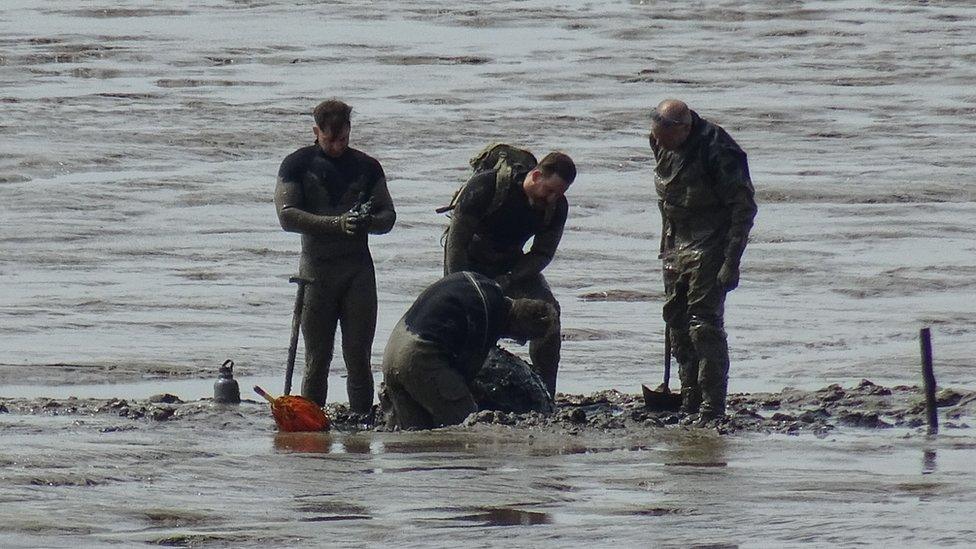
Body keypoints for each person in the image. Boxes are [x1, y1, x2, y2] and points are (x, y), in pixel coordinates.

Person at [274, 99, 396, 413]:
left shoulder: (367, 167)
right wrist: (336, 223)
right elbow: (287, 216)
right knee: (317, 356)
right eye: (330, 139)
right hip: (316, 272)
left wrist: (369, 221)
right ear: (316, 131)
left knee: (357, 356)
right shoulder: (296, 165)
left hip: (358, 272)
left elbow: (388, 216)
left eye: (343, 139)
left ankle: (362, 420)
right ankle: (312, 421)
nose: (338, 146)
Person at [649, 99, 757, 424]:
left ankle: (712, 407)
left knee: (704, 325)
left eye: (667, 139)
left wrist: (731, 261)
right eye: (658, 139)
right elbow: (666, 195)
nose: (661, 145)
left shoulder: (718, 149)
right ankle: (689, 398)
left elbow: (743, 208)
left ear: (683, 128)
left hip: (711, 241)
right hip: (675, 240)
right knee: (676, 320)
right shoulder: (658, 140)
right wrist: (666, 242)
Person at [443, 150, 576, 397]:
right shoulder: (486, 187)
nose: (552, 199)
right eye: (549, 191)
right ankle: (458, 390)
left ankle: (547, 394)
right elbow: (456, 243)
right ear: (536, 176)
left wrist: (509, 279)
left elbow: (542, 254)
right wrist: (461, 287)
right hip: (468, 260)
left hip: (512, 265)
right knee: (462, 322)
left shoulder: (556, 207)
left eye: (559, 194)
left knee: (549, 316)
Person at [382, 271, 555, 430]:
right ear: (521, 324)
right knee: (470, 425)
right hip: (420, 356)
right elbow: (467, 371)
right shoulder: (489, 318)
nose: (522, 342)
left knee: (413, 438)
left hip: (394, 348)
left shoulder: (483, 285)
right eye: (525, 337)